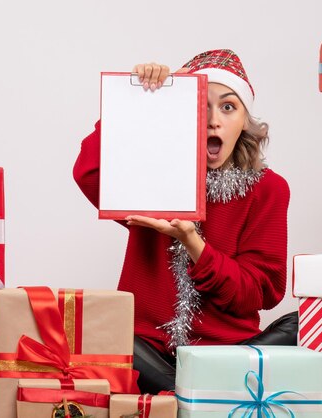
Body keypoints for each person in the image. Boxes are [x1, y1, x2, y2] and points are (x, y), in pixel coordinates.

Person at [73, 49, 297, 393]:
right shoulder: (154, 177)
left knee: (303, 324)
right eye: (199, 105)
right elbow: (90, 172)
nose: (212, 120)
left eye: (228, 106)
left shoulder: (269, 190)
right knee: (106, 337)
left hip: (226, 353)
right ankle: (200, 394)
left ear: (244, 122)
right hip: (147, 350)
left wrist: (195, 244)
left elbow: (258, 293)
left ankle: (187, 393)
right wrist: (145, 101)